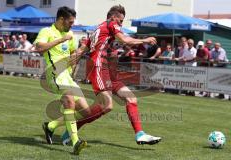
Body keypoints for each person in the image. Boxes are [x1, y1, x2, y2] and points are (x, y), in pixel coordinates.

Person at [62, 4, 161, 145]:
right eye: (121, 21)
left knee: (131, 98)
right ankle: (71, 131)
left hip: (109, 69)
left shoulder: (99, 28)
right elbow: (125, 40)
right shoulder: (111, 23)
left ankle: (140, 134)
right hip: (99, 66)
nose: (121, 24)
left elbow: (84, 49)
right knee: (106, 105)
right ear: (114, 17)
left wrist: (72, 63)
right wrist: (145, 40)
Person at [34, 6, 93, 155]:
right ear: (61, 19)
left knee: (86, 112)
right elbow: (39, 48)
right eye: (70, 22)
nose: (72, 25)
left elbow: (72, 54)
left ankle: (51, 126)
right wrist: (61, 39)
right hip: (54, 74)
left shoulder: (71, 34)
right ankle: (75, 142)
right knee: (69, 101)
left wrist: (76, 62)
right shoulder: (47, 32)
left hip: (67, 76)